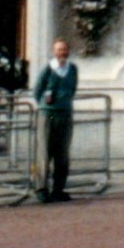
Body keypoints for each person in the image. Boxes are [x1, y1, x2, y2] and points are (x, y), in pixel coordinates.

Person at [31, 39, 78, 202]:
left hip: (65, 113)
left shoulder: (72, 69)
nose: (62, 53)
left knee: (62, 152)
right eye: (59, 50)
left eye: (64, 49)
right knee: (45, 150)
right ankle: (41, 187)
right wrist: (45, 105)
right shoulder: (48, 69)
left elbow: (72, 89)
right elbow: (37, 91)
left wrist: (64, 103)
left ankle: (58, 188)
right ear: (54, 51)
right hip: (49, 113)